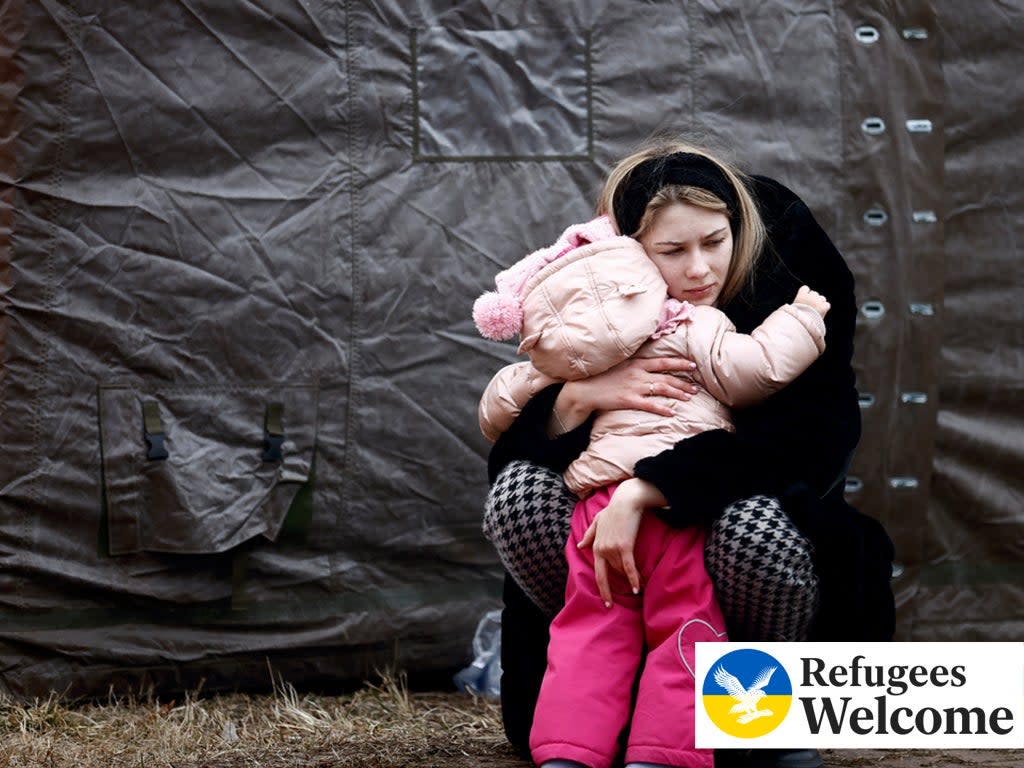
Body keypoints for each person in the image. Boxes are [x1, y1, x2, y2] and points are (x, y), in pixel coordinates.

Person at [480, 141, 896, 768]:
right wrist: (577, 399)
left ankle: (753, 717)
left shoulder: (778, 282)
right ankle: (589, 715)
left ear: (737, 232)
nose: (698, 269)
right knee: (518, 497)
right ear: (632, 254)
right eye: (672, 252)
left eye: (713, 244)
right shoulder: (607, 304)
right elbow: (506, 433)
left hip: (723, 514)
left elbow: (811, 440)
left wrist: (649, 488)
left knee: (752, 536)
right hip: (604, 529)